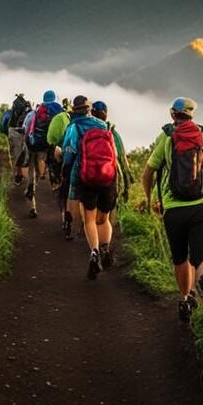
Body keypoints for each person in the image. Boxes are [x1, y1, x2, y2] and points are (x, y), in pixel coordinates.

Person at [141, 97, 203, 322]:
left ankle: (187, 298)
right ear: (192, 115)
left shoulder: (166, 137)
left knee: (181, 258)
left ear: (172, 114)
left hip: (174, 209)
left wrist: (150, 201)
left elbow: (148, 173)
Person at [61, 95, 118, 279]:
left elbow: (69, 153)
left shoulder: (74, 127)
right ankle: (105, 247)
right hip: (107, 176)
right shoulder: (103, 126)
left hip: (85, 176)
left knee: (90, 219)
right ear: (88, 109)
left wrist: (64, 168)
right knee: (104, 219)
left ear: (74, 110)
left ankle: (94, 253)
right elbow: (114, 153)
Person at [90, 101, 134, 230]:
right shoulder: (112, 132)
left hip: (90, 174)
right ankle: (107, 236)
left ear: (92, 113)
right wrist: (127, 180)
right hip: (110, 174)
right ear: (106, 114)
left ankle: (91, 233)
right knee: (110, 205)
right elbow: (121, 157)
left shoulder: (86, 129)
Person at [23, 89, 64, 218]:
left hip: (35, 147)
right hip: (53, 149)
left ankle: (33, 206)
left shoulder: (34, 113)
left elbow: (25, 129)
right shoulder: (61, 113)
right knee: (57, 180)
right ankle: (64, 216)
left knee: (31, 175)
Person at [48, 102, 75, 238]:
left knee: (60, 191)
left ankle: (64, 216)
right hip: (75, 162)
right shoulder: (83, 123)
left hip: (58, 159)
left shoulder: (57, 119)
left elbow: (50, 139)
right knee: (71, 190)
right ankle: (73, 219)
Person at [5, 93, 31, 185]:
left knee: (17, 154)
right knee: (24, 155)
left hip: (13, 132)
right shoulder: (28, 113)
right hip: (24, 133)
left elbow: (4, 125)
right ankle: (29, 177)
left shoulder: (10, 113)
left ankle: (18, 175)